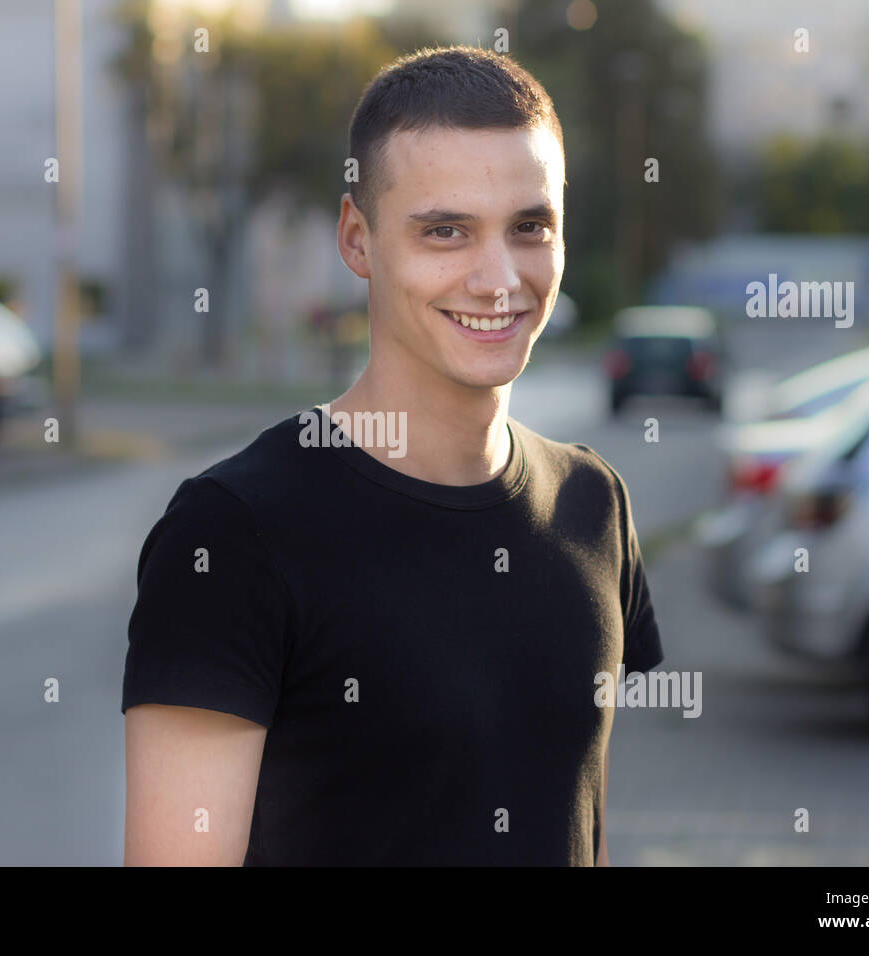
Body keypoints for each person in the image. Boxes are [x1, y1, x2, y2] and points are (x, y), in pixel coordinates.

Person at [122, 45, 663, 866]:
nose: (498, 278)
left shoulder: (593, 503)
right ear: (358, 240)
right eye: (446, 231)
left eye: (529, 227)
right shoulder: (231, 536)